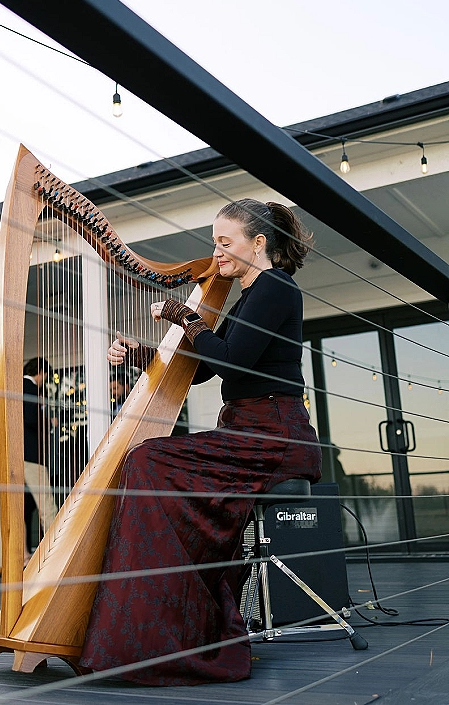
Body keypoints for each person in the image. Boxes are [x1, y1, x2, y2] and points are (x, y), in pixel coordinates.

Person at [79, 199, 322, 685]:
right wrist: (138, 353)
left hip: (272, 435)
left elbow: (231, 361)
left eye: (224, 242)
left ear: (259, 244)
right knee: (150, 463)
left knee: (149, 461)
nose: (216, 253)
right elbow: (207, 367)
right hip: (246, 430)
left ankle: (162, 630)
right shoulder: (250, 295)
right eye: (215, 243)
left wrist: (184, 316)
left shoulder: (276, 287)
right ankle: (171, 627)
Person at [0, 357, 58, 577]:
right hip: (30, 455)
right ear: (41, 372)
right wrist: (49, 422)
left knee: (11, 509)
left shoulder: (10, 386)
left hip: (11, 455)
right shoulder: (29, 387)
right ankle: (60, 551)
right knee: (46, 504)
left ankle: (1, 561)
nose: (45, 382)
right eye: (46, 377)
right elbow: (30, 418)